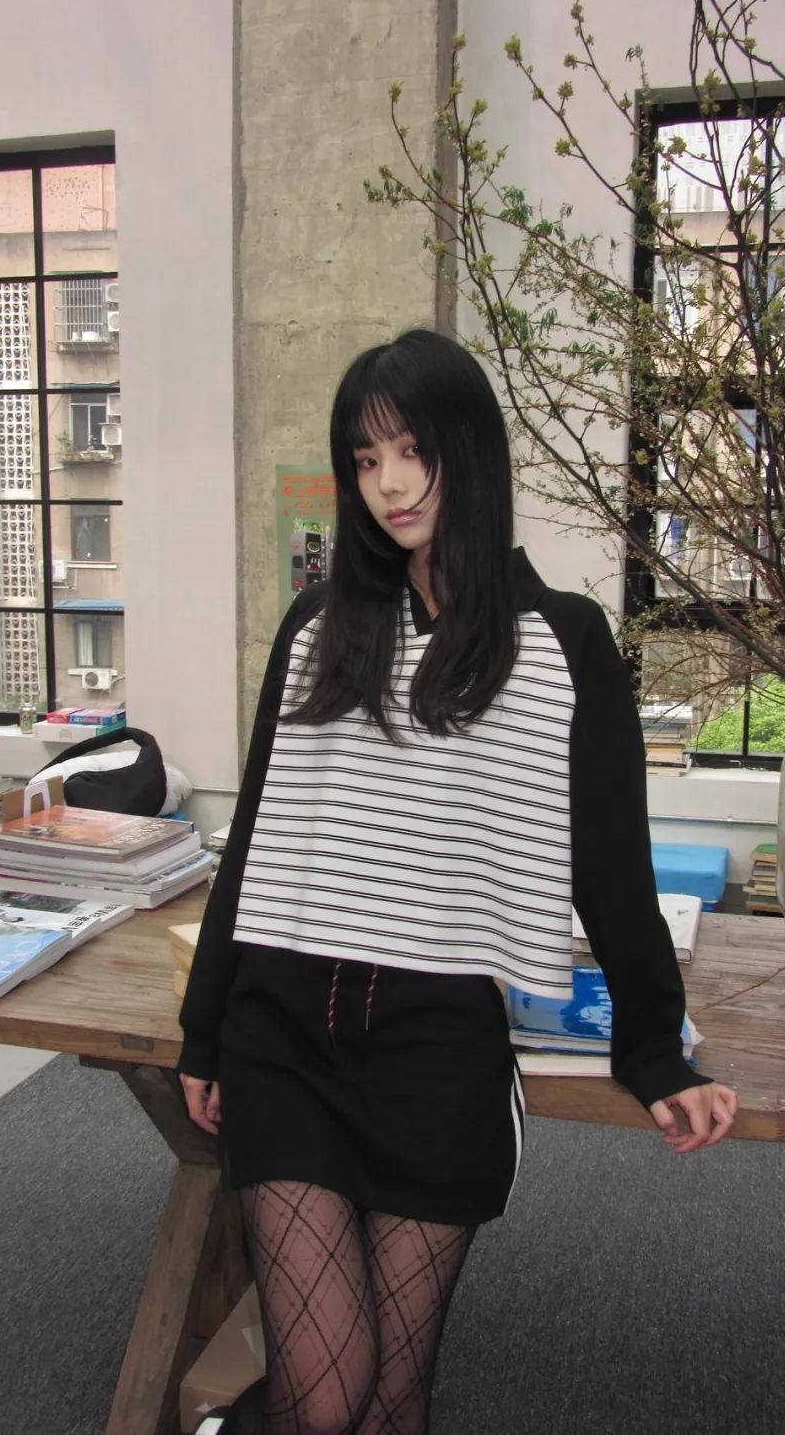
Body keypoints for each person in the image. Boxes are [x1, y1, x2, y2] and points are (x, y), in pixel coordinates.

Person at [178, 328, 738, 1435]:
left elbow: (609, 865)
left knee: (393, 1401)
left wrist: (654, 1048)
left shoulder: (565, 642)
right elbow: (259, 841)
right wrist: (205, 1029)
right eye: (365, 458)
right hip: (285, 1033)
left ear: (468, 454)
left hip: (438, 1050)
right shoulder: (317, 629)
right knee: (326, 1398)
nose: (388, 483)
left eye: (413, 451)